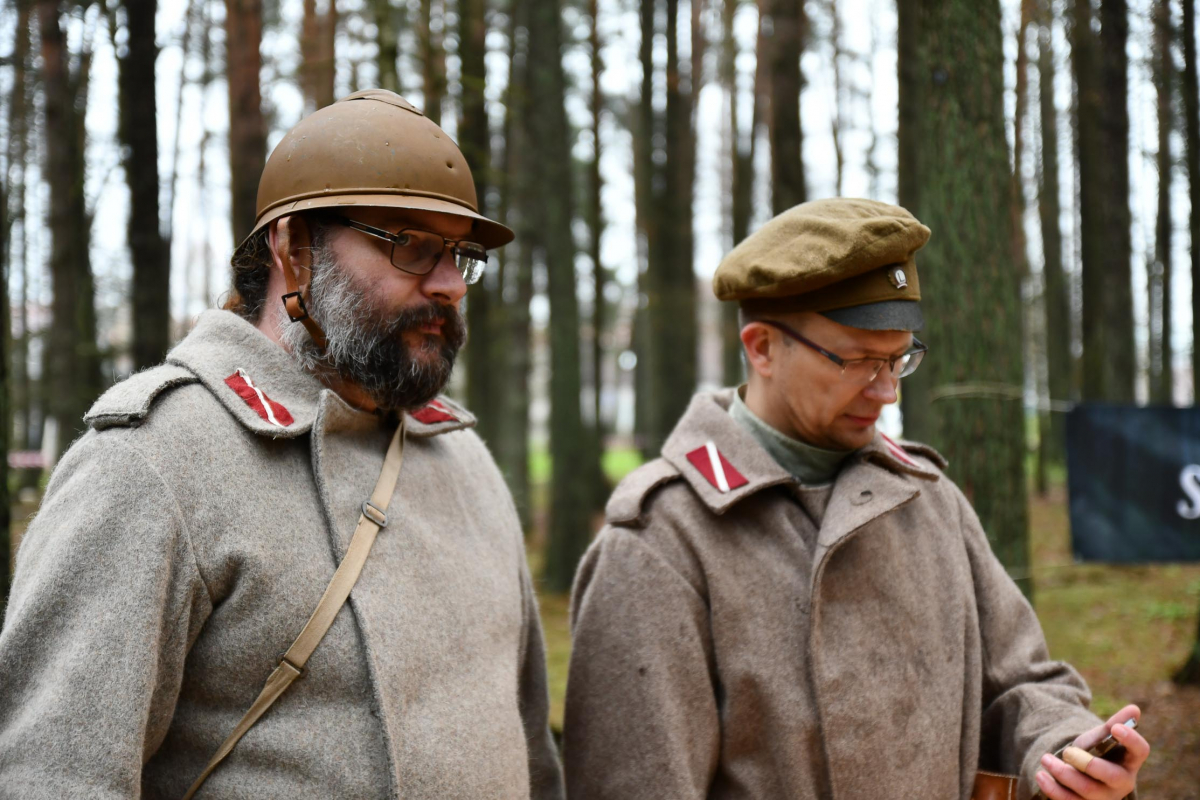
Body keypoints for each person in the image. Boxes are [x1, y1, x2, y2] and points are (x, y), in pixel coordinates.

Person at [0, 90, 564, 799]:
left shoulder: (462, 460)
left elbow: (530, 751)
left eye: (459, 253)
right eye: (411, 244)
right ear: (294, 249)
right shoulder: (153, 461)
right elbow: (50, 778)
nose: (450, 284)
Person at [563, 198, 1149, 800]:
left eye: (900, 359)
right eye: (861, 361)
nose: (888, 391)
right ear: (762, 347)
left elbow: (1020, 683)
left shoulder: (929, 500)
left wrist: (1065, 752)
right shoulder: (661, 541)